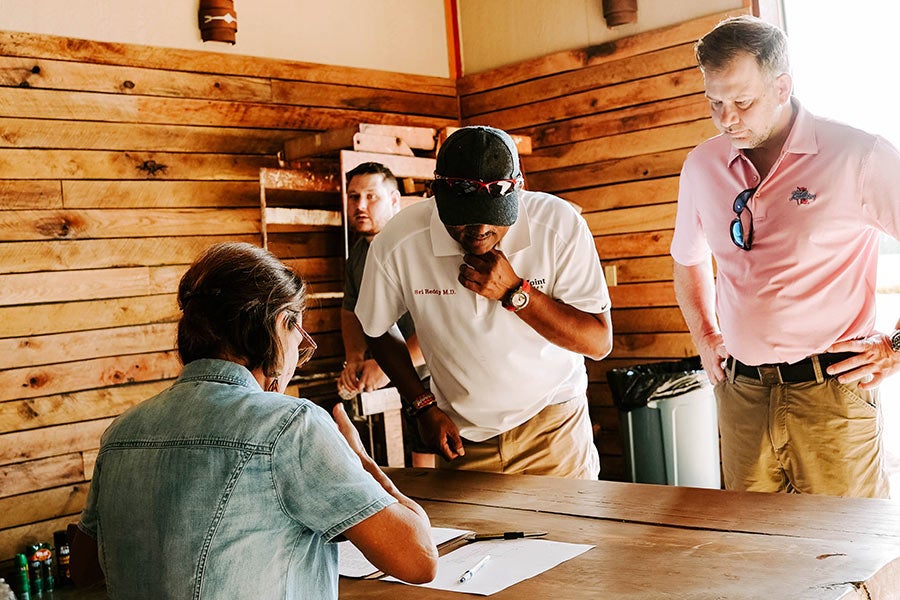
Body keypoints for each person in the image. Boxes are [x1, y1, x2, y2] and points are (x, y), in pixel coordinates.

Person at [68, 242, 437, 598]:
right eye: (300, 339)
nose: (298, 355)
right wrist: (361, 462)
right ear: (279, 326)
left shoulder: (121, 432)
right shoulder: (290, 425)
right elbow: (419, 560)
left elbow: (84, 568)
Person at [671, 15, 900, 498]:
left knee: (848, 557)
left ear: (782, 87)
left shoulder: (858, 155)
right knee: (753, 556)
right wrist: (705, 333)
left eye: (742, 101)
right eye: (714, 102)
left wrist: (897, 347)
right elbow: (687, 258)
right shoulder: (701, 165)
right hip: (741, 395)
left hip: (832, 393)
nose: (727, 118)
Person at [355, 125, 613, 480]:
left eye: (494, 218)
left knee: (570, 535)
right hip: (461, 439)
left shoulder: (558, 226)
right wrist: (420, 404)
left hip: (553, 430)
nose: (477, 231)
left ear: (519, 191)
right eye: (460, 218)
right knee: (470, 538)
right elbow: (375, 327)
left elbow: (598, 342)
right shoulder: (399, 241)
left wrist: (517, 294)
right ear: (435, 195)